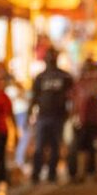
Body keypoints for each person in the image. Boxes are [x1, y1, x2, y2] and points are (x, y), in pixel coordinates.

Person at [29, 48, 73, 184]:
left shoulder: (64, 76)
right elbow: (34, 97)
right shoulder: (40, 77)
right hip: (44, 115)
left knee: (53, 146)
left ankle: (51, 173)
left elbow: (71, 96)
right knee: (41, 146)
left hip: (57, 116)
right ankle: (37, 174)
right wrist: (29, 113)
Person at [67, 66, 97, 182]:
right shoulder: (82, 84)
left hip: (93, 121)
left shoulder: (94, 83)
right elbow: (74, 101)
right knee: (83, 148)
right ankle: (83, 173)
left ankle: (94, 173)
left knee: (93, 148)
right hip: (85, 121)